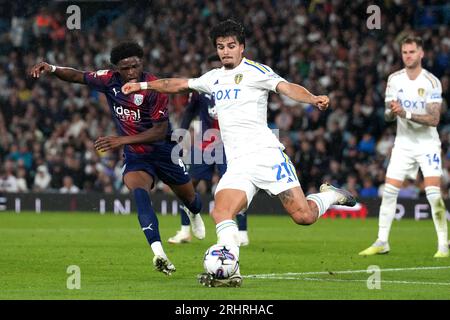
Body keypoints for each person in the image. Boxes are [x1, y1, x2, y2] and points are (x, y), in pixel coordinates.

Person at [122, 20, 356, 287]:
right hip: (238, 164)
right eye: (221, 47)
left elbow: (287, 87)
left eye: (231, 46)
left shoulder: (257, 71)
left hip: (267, 155)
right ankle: (229, 268)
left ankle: (331, 195)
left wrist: (313, 98)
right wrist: (142, 86)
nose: (225, 51)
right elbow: (177, 84)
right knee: (221, 212)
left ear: (242, 48)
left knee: (304, 217)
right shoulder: (213, 78)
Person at [30, 41, 206, 275]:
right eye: (126, 68)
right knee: (139, 193)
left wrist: (120, 140)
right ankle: (158, 252)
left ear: (141, 63)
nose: (132, 72)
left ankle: (192, 213)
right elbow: (77, 76)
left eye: (135, 65)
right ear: (117, 68)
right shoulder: (108, 80)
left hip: (164, 152)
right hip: (137, 158)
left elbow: (159, 132)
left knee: (191, 199)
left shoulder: (154, 87)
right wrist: (51, 68)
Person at [359, 35, 448, 258]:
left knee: (433, 193)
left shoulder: (431, 82)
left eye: (412, 52)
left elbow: (434, 118)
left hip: (427, 144)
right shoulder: (394, 79)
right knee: (388, 192)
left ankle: (444, 245)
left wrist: (405, 113)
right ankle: (382, 241)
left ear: (421, 53)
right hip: (403, 144)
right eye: (405, 52)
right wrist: (392, 111)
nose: (408, 56)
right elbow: (389, 116)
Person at [168, 56, 249, 246]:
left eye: (218, 66)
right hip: (205, 143)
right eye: (211, 67)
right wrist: (180, 134)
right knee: (187, 185)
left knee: (235, 187)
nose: (215, 70)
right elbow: (190, 111)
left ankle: (242, 232)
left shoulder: (238, 87)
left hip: (229, 145)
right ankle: (185, 230)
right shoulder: (201, 88)